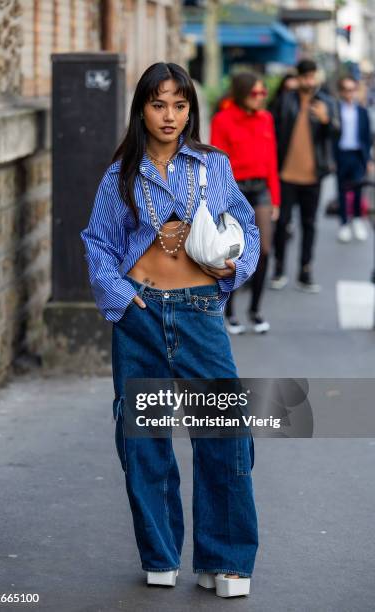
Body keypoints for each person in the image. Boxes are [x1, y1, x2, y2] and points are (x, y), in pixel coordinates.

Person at [80, 62, 260, 597]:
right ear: (141, 109)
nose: (169, 116)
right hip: (140, 317)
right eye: (159, 104)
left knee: (226, 436)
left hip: (200, 313)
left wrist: (234, 268)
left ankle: (225, 561)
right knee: (145, 442)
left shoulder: (212, 165)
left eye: (179, 105)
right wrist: (121, 299)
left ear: (190, 110)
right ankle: (160, 555)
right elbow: (98, 242)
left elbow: (245, 225)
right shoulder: (121, 177)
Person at [210, 72, 280, 334]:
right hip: (235, 189)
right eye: (255, 93)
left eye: (263, 93)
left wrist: (276, 198)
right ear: (241, 93)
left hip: (261, 188)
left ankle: (255, 310)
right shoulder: (223, 120)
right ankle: (229, 311)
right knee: (234, 251)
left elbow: (272, 160)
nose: (261, 98)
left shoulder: (266, 119)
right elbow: (218, 163)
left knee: (263, 249)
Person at [270, 58, 340, 293]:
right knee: (282, 223)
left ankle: (305, 272)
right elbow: (273, 131)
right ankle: (279, 269)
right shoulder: (285, 100)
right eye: (305, 77)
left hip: (313, 175)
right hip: (286, 174)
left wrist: (326, 120)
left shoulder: (326, 103)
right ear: (298, 78)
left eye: (313, 76)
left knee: (309, 224)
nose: (310, 81)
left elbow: (336, 135)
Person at [333, 75, 372, 243]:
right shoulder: (336, 110)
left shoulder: (362, 111)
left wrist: (369, 159)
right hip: (341, 155)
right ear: (341, 92)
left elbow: (367, 136)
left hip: (357, 155)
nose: (350, 93)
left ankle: (357, 219)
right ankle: (344, 223)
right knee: (342, 190)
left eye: (352, 90)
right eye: (347, 90)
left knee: (358, 189)